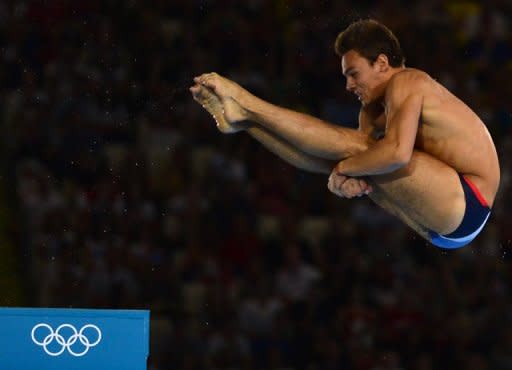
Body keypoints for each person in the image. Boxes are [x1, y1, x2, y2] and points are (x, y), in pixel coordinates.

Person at [190, 19, 500, 249]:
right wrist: (345, 177)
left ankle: (245, 103)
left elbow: (396, 154)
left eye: (354, 74)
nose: (348, 86)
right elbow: (360, 165)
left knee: (357, 151)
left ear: (381, 63)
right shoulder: (370, 112)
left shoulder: (409, 81)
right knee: (345, 155)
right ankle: (245, 123)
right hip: (438, 227)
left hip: (470, 201)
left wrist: (345, 172)